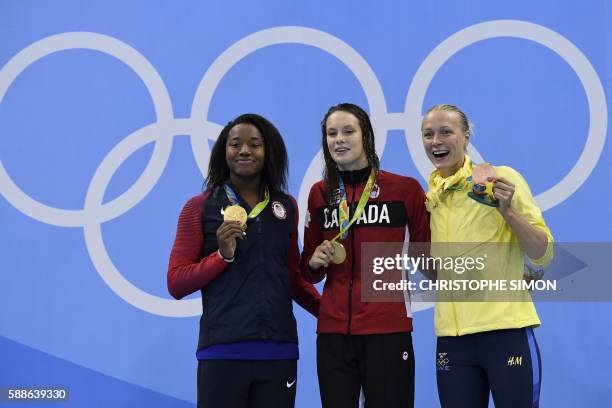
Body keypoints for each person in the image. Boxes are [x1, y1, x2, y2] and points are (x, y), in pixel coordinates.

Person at [167, 113, 320, 408]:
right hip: (223, 351)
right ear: (224, 153)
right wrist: (222, 256)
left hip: (280, 351)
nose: (245, 151)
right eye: (235, 144)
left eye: (255, 144)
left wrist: (329, 313)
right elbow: (176, 282)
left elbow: (291, 278)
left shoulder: (285, 206)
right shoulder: (199, 207)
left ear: (269, 151)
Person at [421, 104, 554, 408]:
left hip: (505, 333)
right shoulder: (432, 198)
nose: (436, 141)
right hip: (452, 342)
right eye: (428, 134)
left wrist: (507, 211)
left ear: (466, 137)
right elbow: (438, 271)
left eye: (446, 132)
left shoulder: (500, 180)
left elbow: (543, 253)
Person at [300, 103, 431, 408]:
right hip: (333, 333)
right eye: (332, 134)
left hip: (387, 327)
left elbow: (430, 258)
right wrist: (314, 262)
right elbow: (308, 269)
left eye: (348, 131)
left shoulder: (405, 190)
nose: (339, 139)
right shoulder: (319, 194)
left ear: (366, 137)